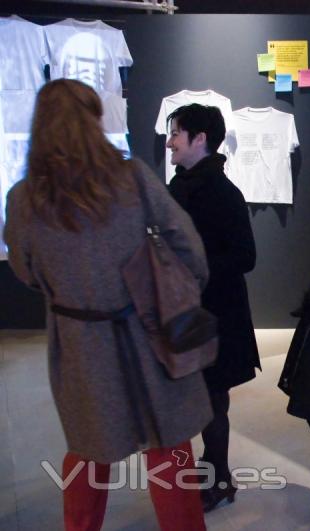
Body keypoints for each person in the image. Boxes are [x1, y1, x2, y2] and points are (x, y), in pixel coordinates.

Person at [3, 79, 211, 531]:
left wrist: (68, 292)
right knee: (168, 449)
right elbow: (186, 242)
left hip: (79, 342)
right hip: (149, 330)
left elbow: (25, 270)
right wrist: (185, 289)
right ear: (94, 121)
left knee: (88, 450)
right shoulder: (132, 177)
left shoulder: (23, 199)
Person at [165, 103, 261, 512]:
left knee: (212, 399)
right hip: (188, 312)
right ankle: (211, 472)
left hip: (215, 314)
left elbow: (246, 257)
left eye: (176, 133)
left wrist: (193, 269)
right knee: (199, 398)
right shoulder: (178, 187)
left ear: (199, 139)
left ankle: (219, 478)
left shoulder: (223, 193)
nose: (169, 142)